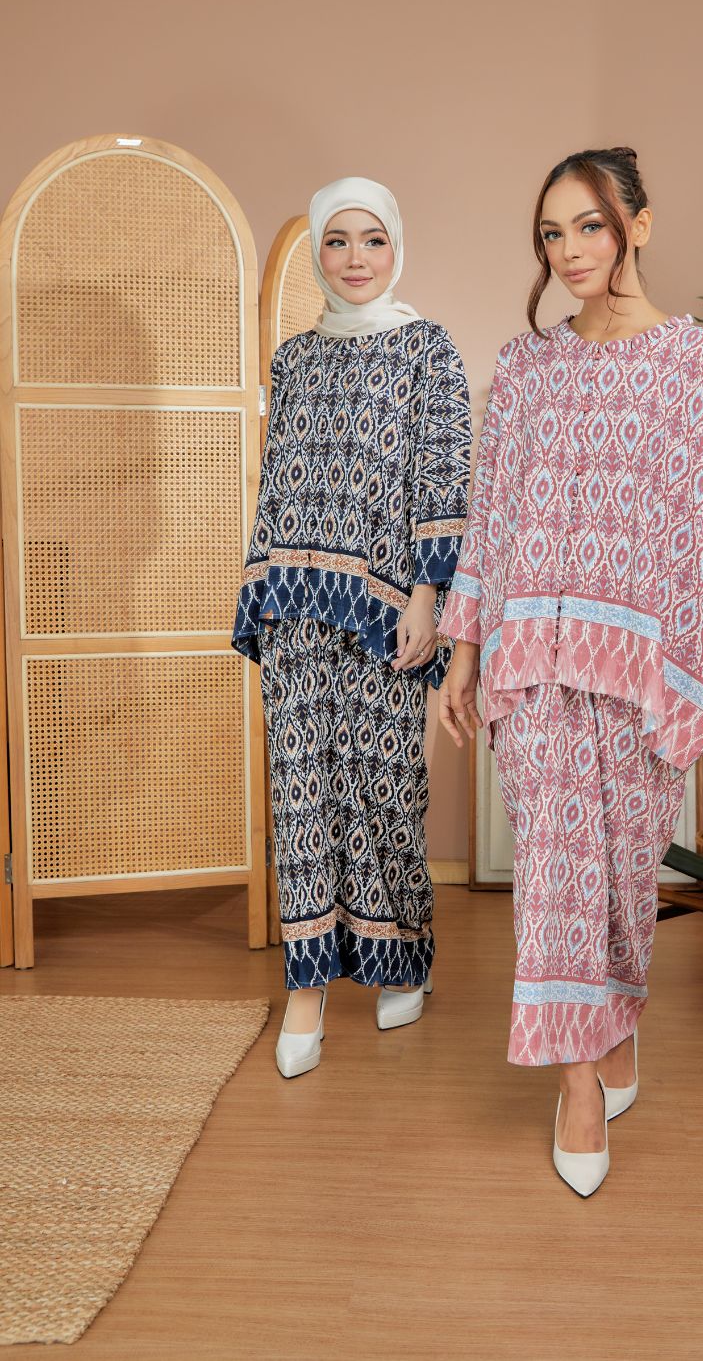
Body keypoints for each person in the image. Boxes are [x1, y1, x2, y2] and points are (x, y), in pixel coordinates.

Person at [437, 146, 703, 1195]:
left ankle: (615, 1021)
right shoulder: (524, 368)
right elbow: (490, 519)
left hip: (648, 663)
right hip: (536, 657)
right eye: (551, 234)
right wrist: (464, 652)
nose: (569, 251)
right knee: (554, 874)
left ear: (637, 226)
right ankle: (574, 1086)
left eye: (589, 226)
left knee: (623, 881)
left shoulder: (698, 365)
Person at [233, 177, 471, 1076]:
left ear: (396, 246)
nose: (355, 258)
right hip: (295, 601)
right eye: (337, 241)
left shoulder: (427, 349)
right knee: (301, 794)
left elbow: (444, 476)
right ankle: (308, 988)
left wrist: (428, 597)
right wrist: (259, 591)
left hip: (384, 613)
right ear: (317, 254)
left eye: (372, 239)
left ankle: (402, 956)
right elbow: (277, 484)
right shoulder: (294, 358)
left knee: (384, 790)